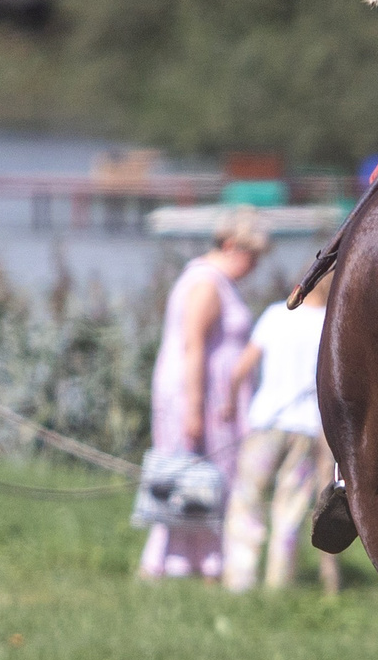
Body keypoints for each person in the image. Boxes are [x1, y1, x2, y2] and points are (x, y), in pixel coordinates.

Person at [139, 211, 267, 581]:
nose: (255, 266)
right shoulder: (207, 284)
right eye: (252, 256)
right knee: (196, 476)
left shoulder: (213, 281)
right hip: (200, 396)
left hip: (212, 397)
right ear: (230, 246)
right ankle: (178, 560)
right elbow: (193, 344)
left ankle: (198, 560)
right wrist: (193, 409)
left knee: (204, 478)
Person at [222, 275, 335, 594]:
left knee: (247, 499)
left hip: (267, 422)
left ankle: (239, 580)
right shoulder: (330, 324)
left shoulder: (276, 314)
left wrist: (231, 403)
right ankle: (278, 583)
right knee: (290, 508)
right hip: (307, 428)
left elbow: (241, 369)